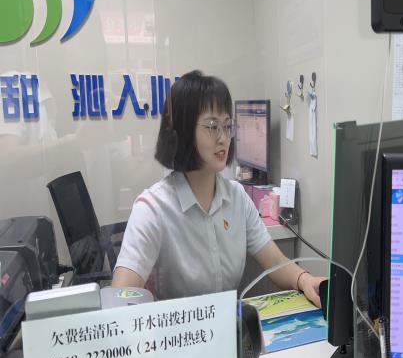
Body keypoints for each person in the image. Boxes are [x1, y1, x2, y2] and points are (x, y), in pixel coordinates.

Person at [112, 70, 324, 307]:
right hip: (178, 329)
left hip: (228, 326)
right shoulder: (153, 209)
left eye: (227, 126)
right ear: (183, 131)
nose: (224, 138)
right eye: (213, 126)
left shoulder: (236, 197)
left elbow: (274, 261)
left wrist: (304, 280)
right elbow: (120, 298)